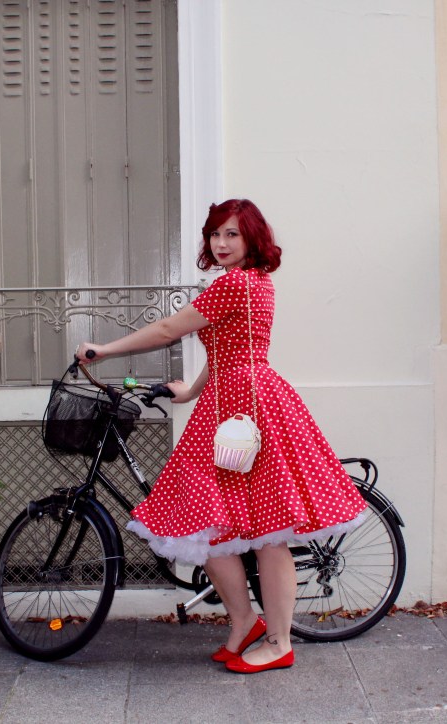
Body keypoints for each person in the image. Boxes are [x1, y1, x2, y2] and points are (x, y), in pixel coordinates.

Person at [77, 199, 367, 674]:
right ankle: (244, 623)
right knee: (206, 522)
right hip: (235, 400)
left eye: (232, 234)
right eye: (215, 234)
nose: (222, 243)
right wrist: (191, 390)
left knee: (265, 536)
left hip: (246, 408)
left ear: (252, 238)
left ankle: (278, 642)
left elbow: (170, 328)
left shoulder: (236, 282)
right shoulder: (254, 283)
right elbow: (231, 348)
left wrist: (104, 350)